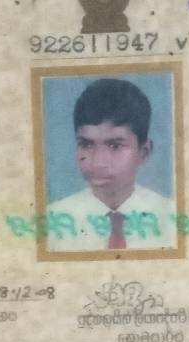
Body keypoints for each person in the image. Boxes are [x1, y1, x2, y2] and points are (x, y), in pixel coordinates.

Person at [47, 78, 176, 252]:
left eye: (115, 146)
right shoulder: (51, 223)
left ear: (144, 152)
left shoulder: (173, 220)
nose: (98, 162)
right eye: (86, 144)